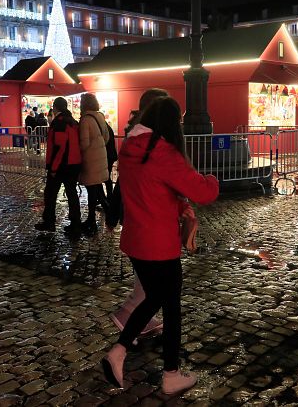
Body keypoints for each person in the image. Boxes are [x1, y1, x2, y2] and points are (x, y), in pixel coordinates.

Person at [101, 96, 219, 394]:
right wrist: (212, 179)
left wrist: (178, 206)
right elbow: (202, 192)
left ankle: (119, 352)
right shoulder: (164, 153)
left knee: (153, 298)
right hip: (160, 244)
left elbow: (149, 189)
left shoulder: (130, 147)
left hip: (136, 240)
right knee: (171, 306)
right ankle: (170, 374)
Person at [109, 88, 170, 336]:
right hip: (146, 216)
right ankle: (128, 318)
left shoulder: (136, 135)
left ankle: (140, 319)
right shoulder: (147, 140)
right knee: (152, 280)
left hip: (139, 214)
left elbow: (124, 180)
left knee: (146, 277)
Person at [34, 97, 82, 235]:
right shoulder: (73, 122)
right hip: (74, 163)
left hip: (62, 165)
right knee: (72, 194)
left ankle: (49, 222)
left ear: (55, 108)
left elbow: (59, 148)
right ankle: (75, 223)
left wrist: (53, 168)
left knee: (50, 194)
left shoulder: (59, 123)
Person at [78, 93, 110, 235]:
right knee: (96, 189)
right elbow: (107, 137)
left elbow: (83, 144)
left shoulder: (85, 120)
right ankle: (101, 216)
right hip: (101, 158)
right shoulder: (100, 117)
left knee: (92, 190)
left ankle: (93, 220)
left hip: (90, 160)